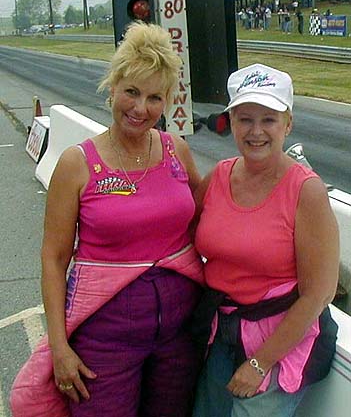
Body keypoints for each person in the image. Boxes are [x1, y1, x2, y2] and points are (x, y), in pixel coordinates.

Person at [11, 21, 204, 417]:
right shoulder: (76, 163)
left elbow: (208, 221)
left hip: (178, 337)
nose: (139, 108)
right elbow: (53, 258)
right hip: (104, 341)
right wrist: (60, 347)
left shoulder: (177, 151)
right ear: (112, 87)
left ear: (166, 101)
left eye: (154, 97)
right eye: (131, 91)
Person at [191, 63, 339, 417]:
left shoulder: (306, 191)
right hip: (223, 331)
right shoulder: (217, 177)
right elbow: (184, 237)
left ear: (288, 124)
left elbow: (319, 293)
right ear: (231, 124)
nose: (256, 131)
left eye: (269, 120)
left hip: (281, 341)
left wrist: (259, 364)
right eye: (245, 119)